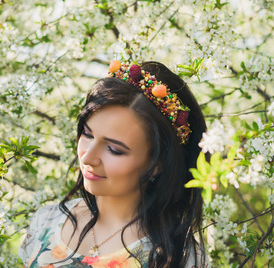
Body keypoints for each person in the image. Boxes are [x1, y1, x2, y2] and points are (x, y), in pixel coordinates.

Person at [18, 60, 209, 267]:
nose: (88, 157)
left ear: (158, 163)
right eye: (87, 135)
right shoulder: (46, 221)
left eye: (114, 150)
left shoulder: (178, 256)